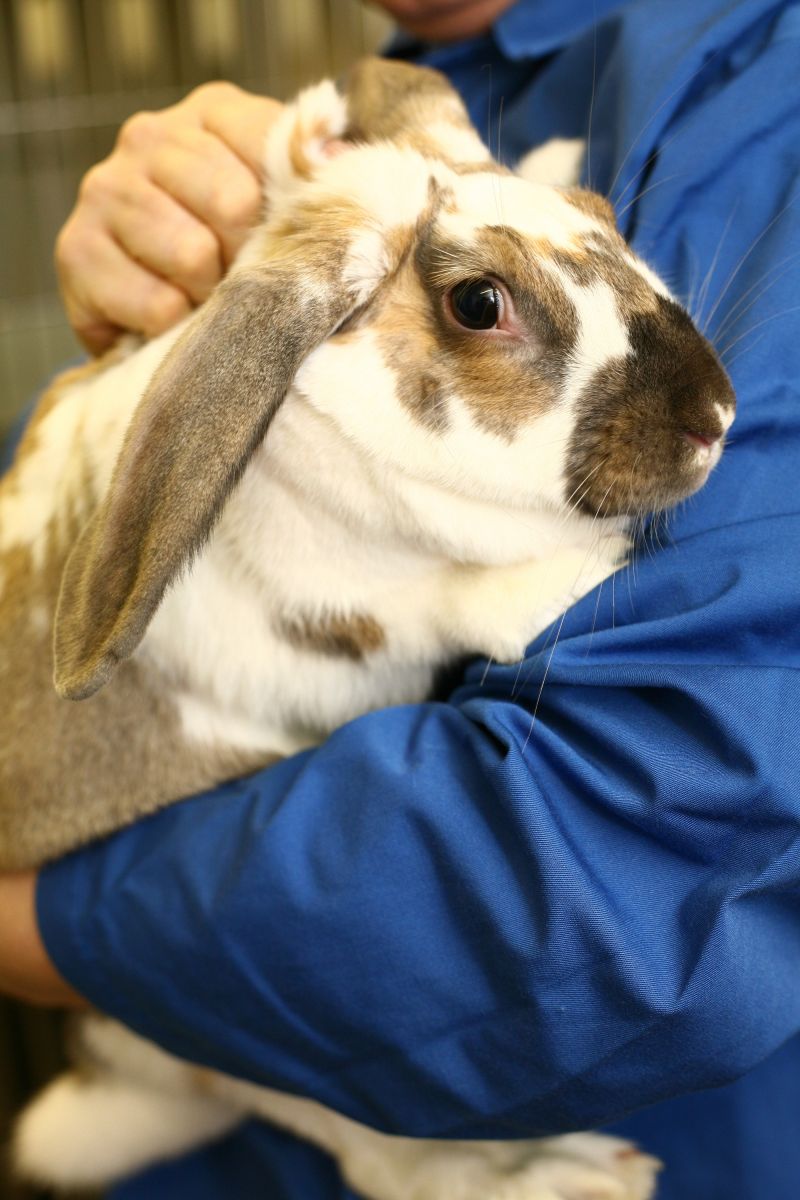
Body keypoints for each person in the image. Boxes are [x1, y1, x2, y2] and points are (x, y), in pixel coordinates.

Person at [2, 0, 800, 1196]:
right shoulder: (384, 119)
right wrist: (152, 298)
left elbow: (616, 888)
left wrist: (38, 922)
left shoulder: (744, 90)